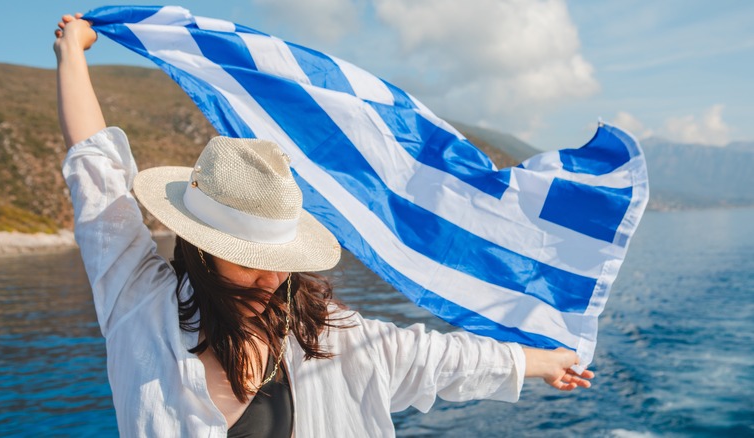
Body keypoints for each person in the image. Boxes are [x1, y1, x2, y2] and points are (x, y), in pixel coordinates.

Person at [55, 13, 594, 438]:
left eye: (280, 264)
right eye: (251, 262)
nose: (271, 282)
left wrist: (542, 363)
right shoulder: (136, 302)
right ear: (200, 247)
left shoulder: (321, 336)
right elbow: (96, 172)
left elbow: (436, 358)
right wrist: (71, 55)